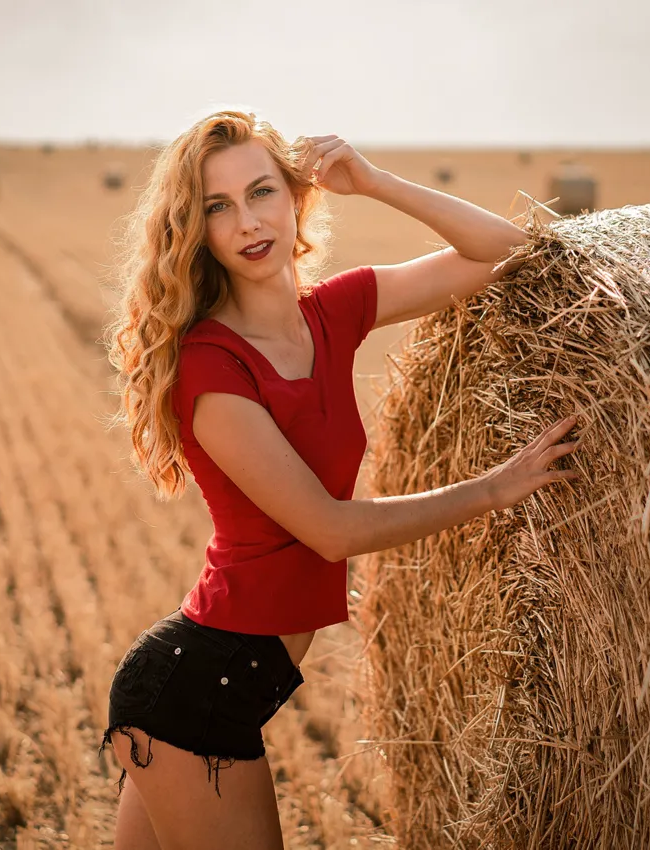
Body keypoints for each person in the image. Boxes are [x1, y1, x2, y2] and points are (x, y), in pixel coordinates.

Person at [97, 109, 583, 850]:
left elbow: (514, 252)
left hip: (219, 685)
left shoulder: (335, 312)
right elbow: (327, 529)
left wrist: (375, 181)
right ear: (196, 232)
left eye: (262, 192)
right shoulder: (211, 365)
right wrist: (493, 488)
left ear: (297, 196)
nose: (248, 222)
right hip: (197, 690)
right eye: (217, 207)